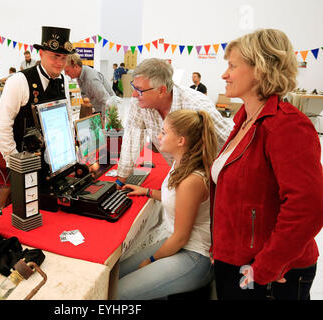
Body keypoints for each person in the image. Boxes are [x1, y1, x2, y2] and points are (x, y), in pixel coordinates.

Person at [211, 28, 323, 300]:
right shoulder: (244, 121)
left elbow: (308, 206)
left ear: (260, 70)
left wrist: (266, 267)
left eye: (232, 66)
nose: (224, 74)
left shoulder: (286, 125)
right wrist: (221, 251)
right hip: (237, 262)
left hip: (267, 271)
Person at [117, 109, 217, 299]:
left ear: (181, 141)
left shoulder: (192, 180)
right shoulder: (181, 163)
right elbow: (180, 202)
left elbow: (180, 238)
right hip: (180, 244)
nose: (159, 136)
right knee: (116, 274)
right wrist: (147, 192)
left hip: (194, 255)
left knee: (118, 293)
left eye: (164, 132)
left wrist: (151, 260)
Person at [116, 58, 232, 184]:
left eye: (139, 90)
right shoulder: (140, 103)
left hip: (210, 182)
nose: (133, 94)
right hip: (180, 175)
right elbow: (132, 139)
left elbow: (230, 147)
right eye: (133, 86)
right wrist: (121, 178)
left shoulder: (197, 106)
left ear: (161, 90)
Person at [0, 26, 75, 165]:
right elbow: (2, 125)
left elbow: (67, 119)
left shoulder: (63, 81)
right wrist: (16, 162)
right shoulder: (19, 81)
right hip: (26, 163)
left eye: (64, 57)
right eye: (55, 56)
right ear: (41, 53)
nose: (60, 63)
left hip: (56, 162)